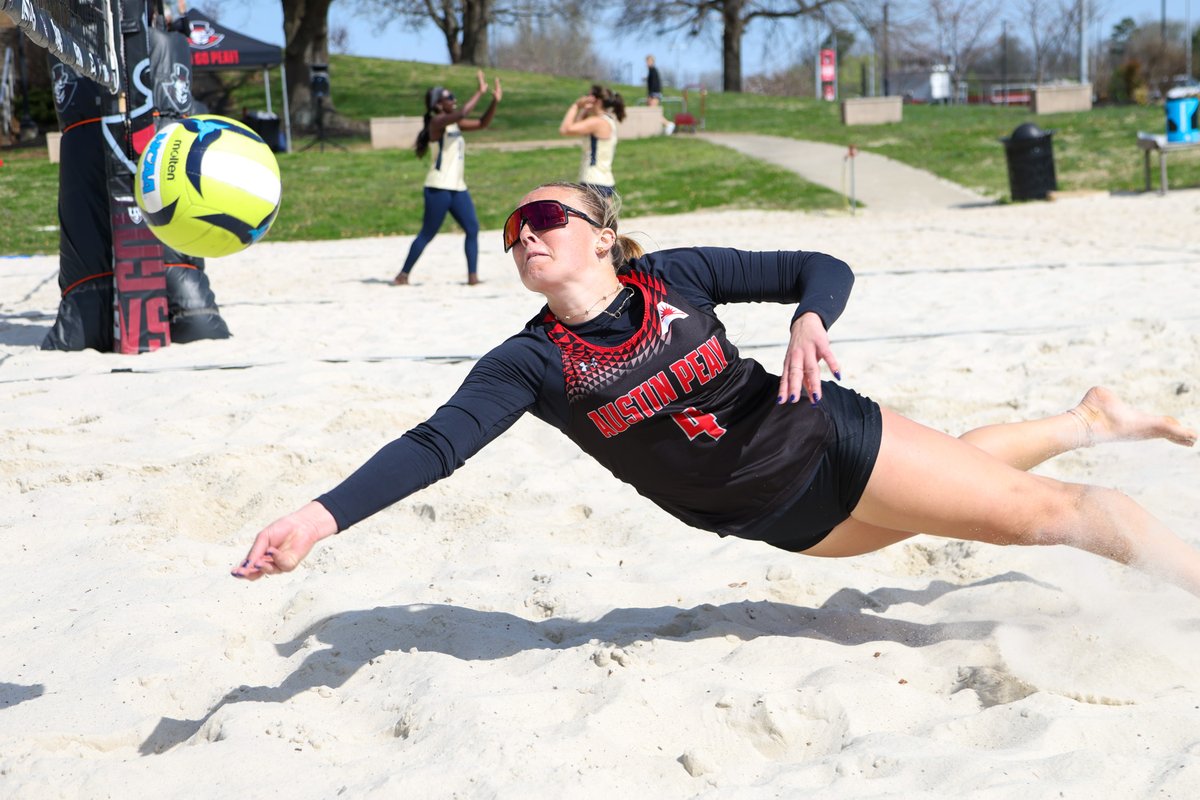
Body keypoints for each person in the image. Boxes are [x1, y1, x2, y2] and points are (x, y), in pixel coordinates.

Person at [234, 181, 1200, 601]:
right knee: (958, 503)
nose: (524, 234)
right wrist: (319, 520)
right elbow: (433, 446)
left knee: (1041, 518)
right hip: (762, 515)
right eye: (512, 227)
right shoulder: (528, 363)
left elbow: (818, 262)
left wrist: (809, 322)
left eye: (543, 218)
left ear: (602, 237)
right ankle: (1090, 418)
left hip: (822, 438)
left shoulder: (678, 277)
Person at [392, 70, 501, 287]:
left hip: (458, 188)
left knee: (472, 228)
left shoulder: (453, 124)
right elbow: (462, 113)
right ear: (438, 104)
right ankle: (402, 275)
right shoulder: (436, 122)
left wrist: (494, 102)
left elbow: (481, 123)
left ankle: (472, 277)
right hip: (438, 187)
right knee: (427, 233)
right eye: (449, 97)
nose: (454, 100)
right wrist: (479, 92)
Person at [559, 85, 624, 196]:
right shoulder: (606, 120)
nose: (585, 98)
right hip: (601, 181)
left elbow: (565, 129)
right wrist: (585, 110)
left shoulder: (597, 122)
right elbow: (579, 126)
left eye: (588, 95)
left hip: (593, 182)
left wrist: (576, 106)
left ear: (597, 100)